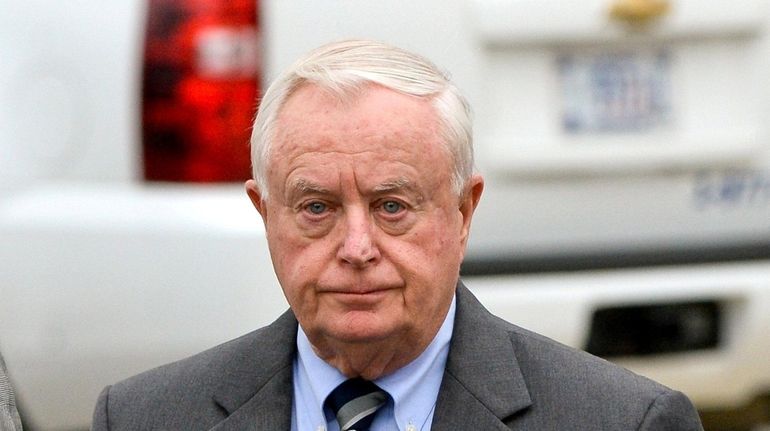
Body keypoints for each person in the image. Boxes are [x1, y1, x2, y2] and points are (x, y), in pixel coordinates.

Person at [91, 39, 703, 430]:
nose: (357, 248)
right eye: (316, 208)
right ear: (263, 213)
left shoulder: (622, 422)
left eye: (391, 206)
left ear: (464, 212)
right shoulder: (145, 417)